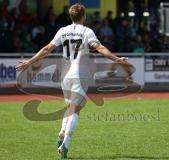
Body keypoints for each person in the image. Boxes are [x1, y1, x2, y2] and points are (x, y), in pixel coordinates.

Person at [16, 3, 131, 159]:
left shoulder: (62, 31)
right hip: (80, 73)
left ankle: (62, 131)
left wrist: (29, 62)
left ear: (70, 16)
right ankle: (66, 144)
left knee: (69, 107)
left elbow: (46, 49)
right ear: (84, 16)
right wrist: (116, 59)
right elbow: (100, 48)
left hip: (65, 74)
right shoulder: (86, 31)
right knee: (75, 110)